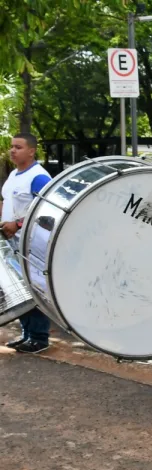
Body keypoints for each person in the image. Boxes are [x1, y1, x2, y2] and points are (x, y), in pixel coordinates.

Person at [1, 133, 53, 354]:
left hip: (33, 243)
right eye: (12, 147)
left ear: (31, 151)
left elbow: (49, 209)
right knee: (21, 288)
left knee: (35, 288)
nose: (13, 150)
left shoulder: (39, 177)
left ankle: (40, 338)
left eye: (18, 147)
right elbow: (8, 203)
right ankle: (27, 334)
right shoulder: (14, 174)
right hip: (14, 241)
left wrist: (19, 224)